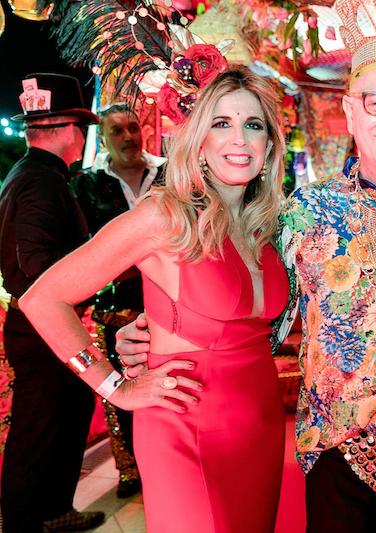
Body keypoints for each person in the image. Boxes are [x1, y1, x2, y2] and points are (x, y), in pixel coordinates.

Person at [116, 1, 376, 530]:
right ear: (350, 111)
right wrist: (154, 331)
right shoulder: (306, 211)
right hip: (339, 451)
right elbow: (244, 300)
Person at [19, 66, 290, 533]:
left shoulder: (264, 226)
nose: (239, 138)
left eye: (253, 124)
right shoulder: (165, 215)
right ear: (198, 140)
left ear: (269, 145)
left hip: (260, 425)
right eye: (221, 123)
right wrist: (114, 387)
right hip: (184, 424)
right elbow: (44, 299)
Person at [0, 73, 105, 533]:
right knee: (38, 429)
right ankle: (24, 523)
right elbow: (33, 265)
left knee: (68, 414)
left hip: (47, 322)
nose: (83, 137)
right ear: (63, 128)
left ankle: (54, 511)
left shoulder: (39, 176)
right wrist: (96, 272)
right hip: (41, 325)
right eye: (81, 127)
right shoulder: (39, 181)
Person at [70, 102, 167, 498]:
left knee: (170, 384)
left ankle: (168, 463)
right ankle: (131, 469)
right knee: (125, 390)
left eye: (132, 128)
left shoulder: (168, 173)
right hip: (117, 308)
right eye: (117, 131)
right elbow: (83, 248)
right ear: (105, 139)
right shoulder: (88, 184)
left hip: (173, 301)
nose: (128, 137)